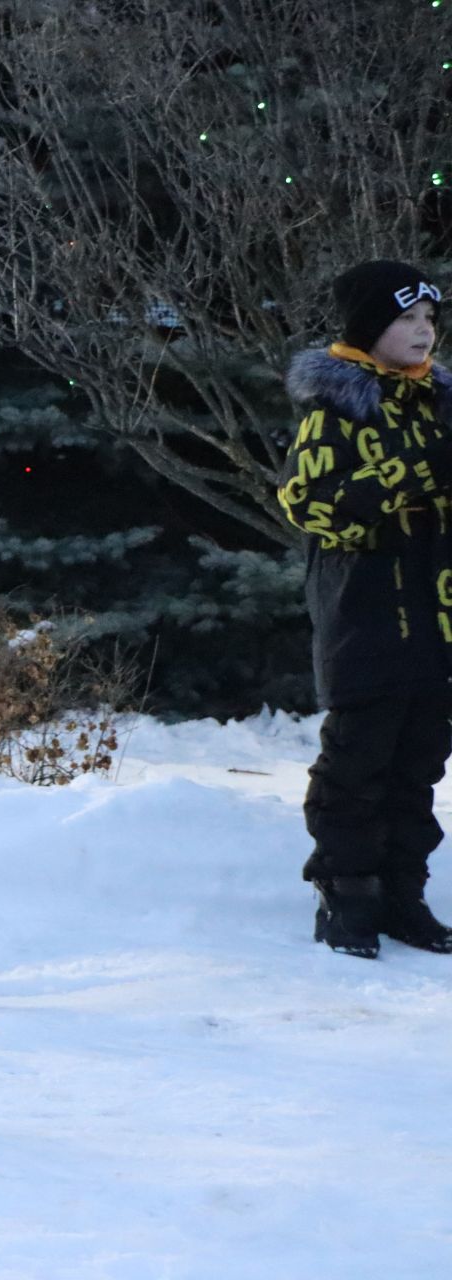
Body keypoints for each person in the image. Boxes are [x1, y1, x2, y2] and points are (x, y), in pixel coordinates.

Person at [277, 259, 452, 958]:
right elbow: (315, 507)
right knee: (357, 764)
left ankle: (403, 892)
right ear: (369, 327)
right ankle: (347, 893)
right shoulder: (337, 408)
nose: (423, 331)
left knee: (419, 768)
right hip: (368, 619)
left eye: (429, 318)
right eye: (406, 319)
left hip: (438, 622)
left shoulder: (440, 403)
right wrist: (421, 468)